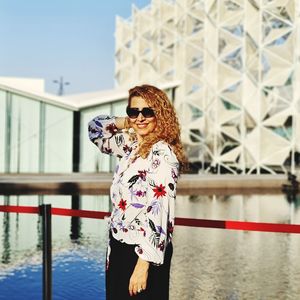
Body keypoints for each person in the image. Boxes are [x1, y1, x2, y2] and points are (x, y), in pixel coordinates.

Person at [88, 84, 187, 299]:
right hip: (118, 246)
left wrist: (143, 265)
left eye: (147, 112)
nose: (140, 117)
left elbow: (160, 211)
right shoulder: (131, 144)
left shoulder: (163, 154)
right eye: (134, 111)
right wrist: (127, 122)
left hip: (142, 253)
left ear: (160, 114)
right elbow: (94, 129)